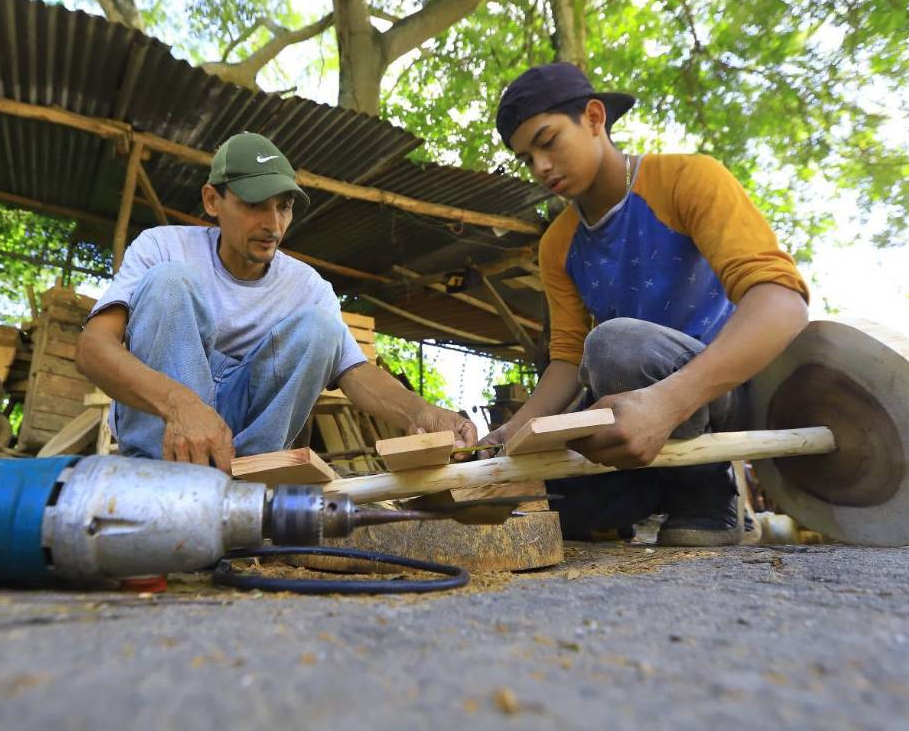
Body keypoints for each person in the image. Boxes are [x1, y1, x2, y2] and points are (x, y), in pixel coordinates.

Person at [481, 63, 810, 546]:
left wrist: (668, 403)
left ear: (594, 118)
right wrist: (512, 431)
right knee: (551, 506)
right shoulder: (557, 245)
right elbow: (568, 360)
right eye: (526, 159)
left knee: (614, 346)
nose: (541, 167)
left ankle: (710, 494)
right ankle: (653, 489)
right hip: (632, 402)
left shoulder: (688, 179)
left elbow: (782, 303)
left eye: (547, 142)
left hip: (725, 391)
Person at [76, 132, 476, 472]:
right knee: (168, 282)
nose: (273, 224)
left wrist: (422, 412)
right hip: (164, 443)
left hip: (244, 457)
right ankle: (162, 474)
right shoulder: (163, 246)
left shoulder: (308, 287)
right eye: (255, 204)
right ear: (212, 200)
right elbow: (93, 348)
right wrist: (180, 404)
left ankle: (248, 478)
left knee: (323, 328)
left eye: (283, 206)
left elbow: (354, 372)